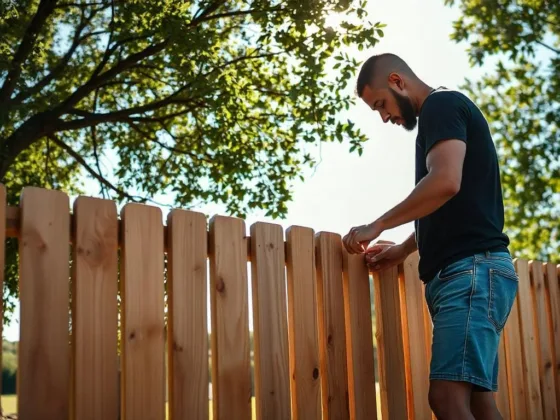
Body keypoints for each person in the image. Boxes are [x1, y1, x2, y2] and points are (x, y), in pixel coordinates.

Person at [342, 53, 519, 420]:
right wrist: (404, 249)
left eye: (381, 104)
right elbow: (450, 206)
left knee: (446, 399)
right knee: (477, 403)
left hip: (470, 273)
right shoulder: (440, 115)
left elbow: (444, 182)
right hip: (474, 273)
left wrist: (378, 224)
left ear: (397, 80)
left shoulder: (441, 105)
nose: (385, 117)